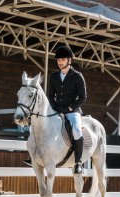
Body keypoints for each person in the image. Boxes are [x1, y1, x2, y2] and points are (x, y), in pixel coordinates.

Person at [24, 45, 87, 174]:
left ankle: (78, 162)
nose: (59, 62)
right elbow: (50, 95)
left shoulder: (77, 76)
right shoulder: (54, 76)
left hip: (72, 111)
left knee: (76, 130)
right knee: (35, 127)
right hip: (57, 110)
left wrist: (69, 108)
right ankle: (33, 157)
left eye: (62, 59)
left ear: (69, 60)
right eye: (58, 60)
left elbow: (83, 97)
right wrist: (55, 108)